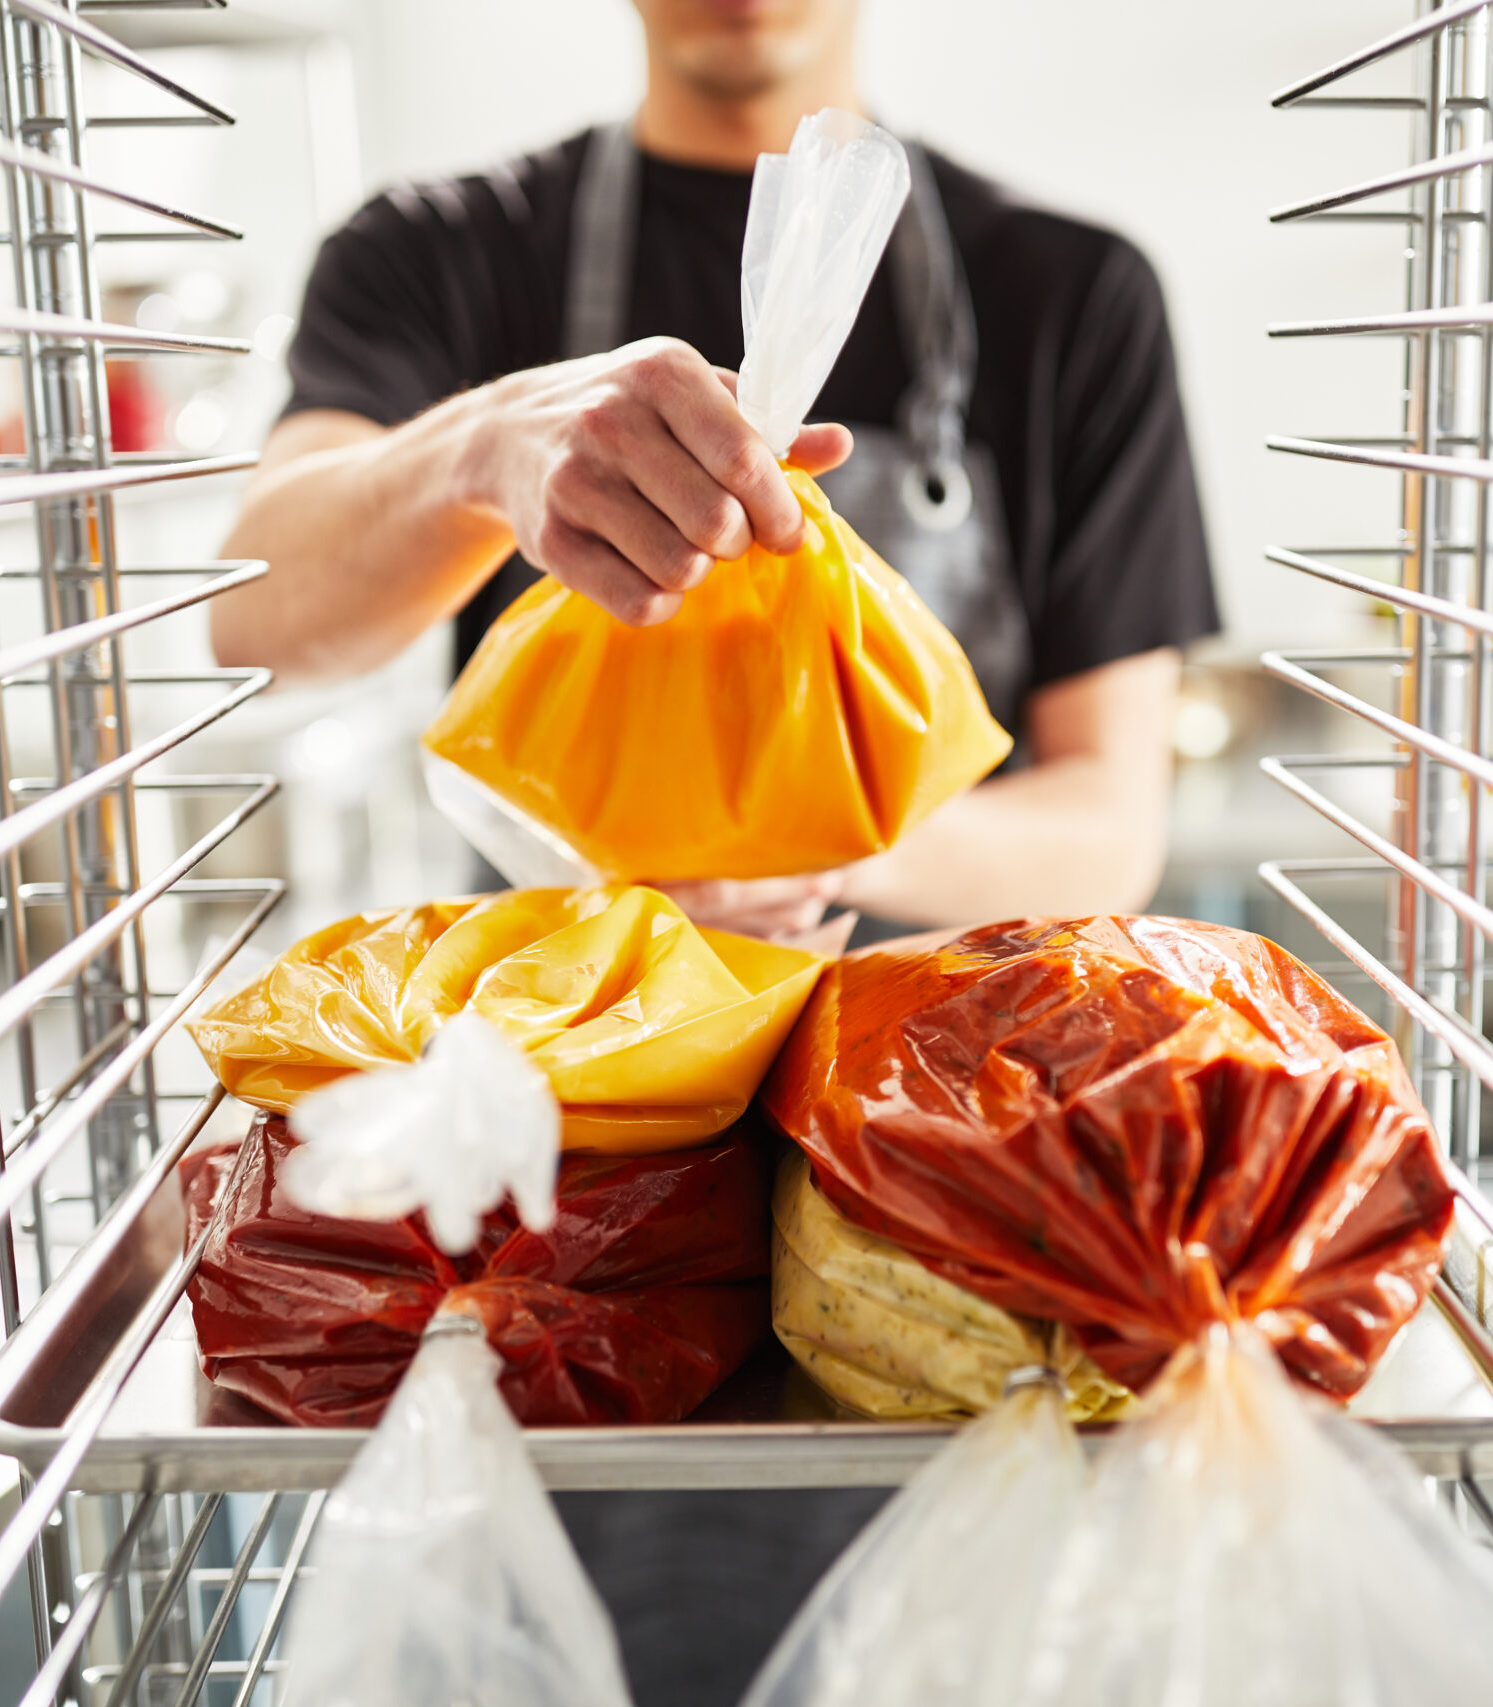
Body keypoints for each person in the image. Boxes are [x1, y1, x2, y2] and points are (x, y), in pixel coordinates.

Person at [215, 2, 1218, 1700]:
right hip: (572, 1192)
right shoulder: (443, 257)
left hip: (940, 1204)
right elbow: (258, 606)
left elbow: (1108, 826)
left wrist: (813, 829)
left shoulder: (1072, 293)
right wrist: (484, 447)